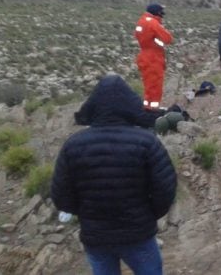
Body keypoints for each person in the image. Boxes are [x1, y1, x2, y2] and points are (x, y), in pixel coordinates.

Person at [51, 74, 177, 275]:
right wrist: (148, 216)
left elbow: (61, 196)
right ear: (129, 106)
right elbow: (166, 188)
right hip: (138, 234)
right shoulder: (146, 141)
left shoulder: (73, 145)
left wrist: (86, 215)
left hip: (96, 237)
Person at [134, 3, 173, 111]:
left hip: (144, 56)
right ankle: (154, 109)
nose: (162, 14)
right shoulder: (153, 23)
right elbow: (168, 38)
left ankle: (147, 106)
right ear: (157, 12)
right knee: (155, 85)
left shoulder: (141, 21)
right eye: (161, 12)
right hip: (153, 57)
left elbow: (138, 36)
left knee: (148, 85)